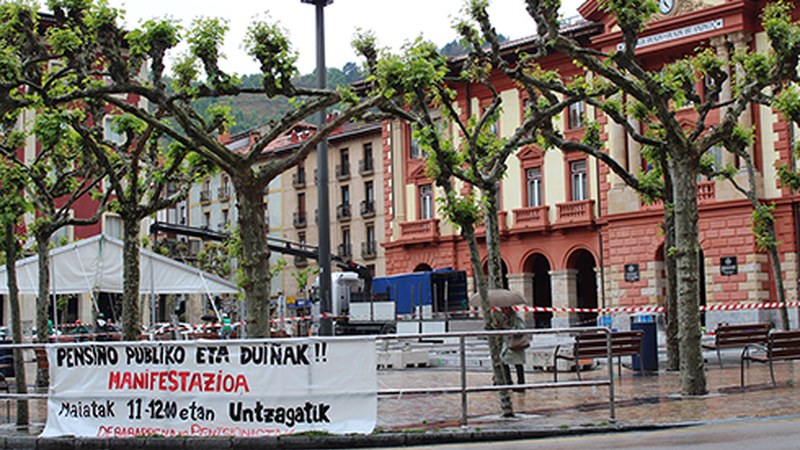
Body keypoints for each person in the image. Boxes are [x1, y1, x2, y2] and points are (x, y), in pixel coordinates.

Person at [496, 305, 528, 392]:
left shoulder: (516, 317)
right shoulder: (504, 317)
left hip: (515, 343)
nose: (502, 310)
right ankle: (508, 382)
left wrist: (509, 328)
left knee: (518, 364)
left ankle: (521, 384)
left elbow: (521, 328)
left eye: (504, 308)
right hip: (507, 343)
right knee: (504, 362)